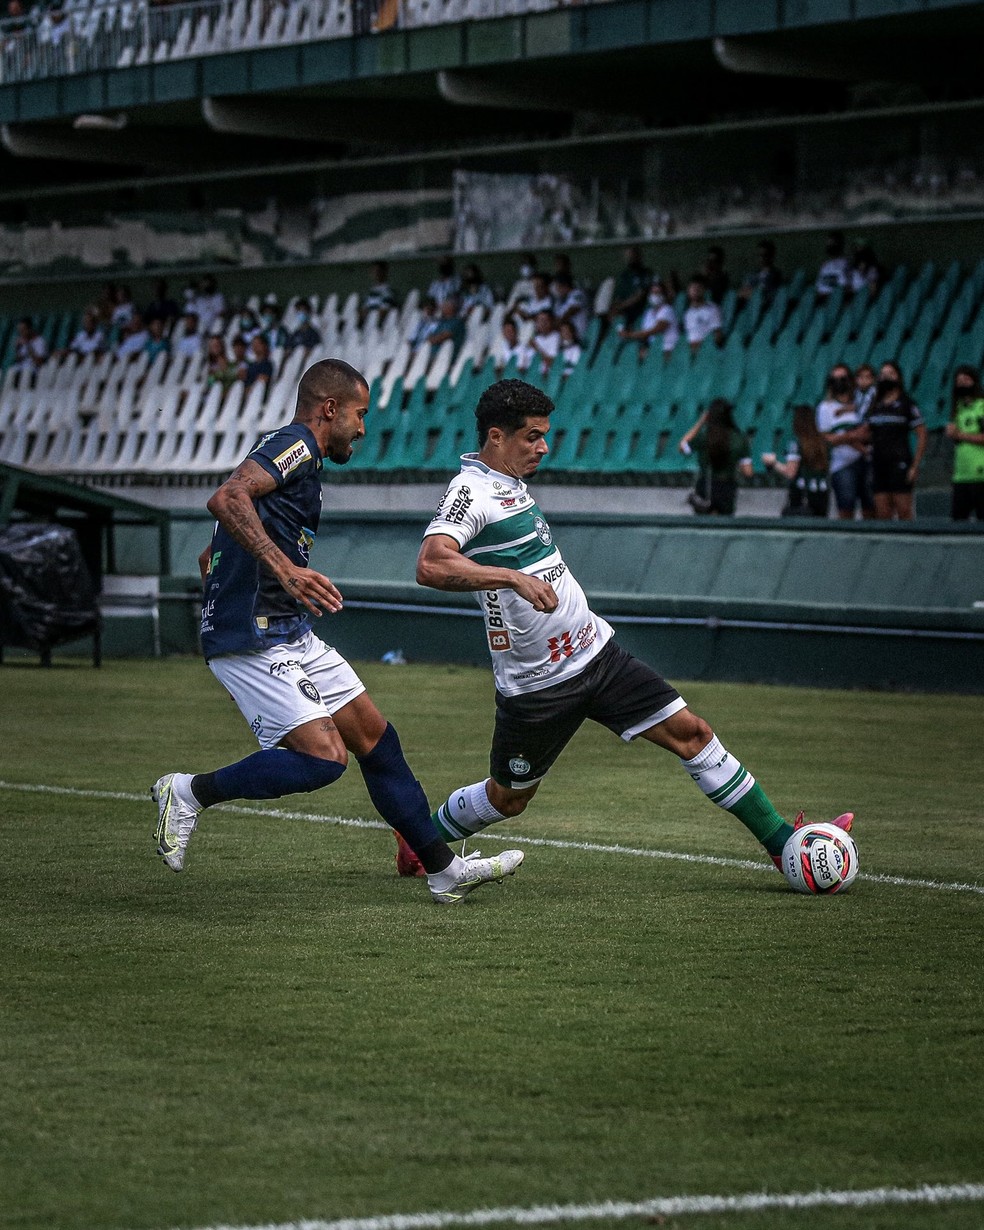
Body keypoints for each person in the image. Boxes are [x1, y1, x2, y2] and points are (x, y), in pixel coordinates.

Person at [408, 378, 852, 884]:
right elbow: (431, 564)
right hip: (538, 687)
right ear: (495, 436)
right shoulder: (472, 490)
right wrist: (511, 577)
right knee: (509, 799)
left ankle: (782, 846)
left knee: (694, 734)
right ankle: (421, 840)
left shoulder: (510, 483)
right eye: (532, 436)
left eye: (544, 434)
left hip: (597, 655)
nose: (543, 446)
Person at [152, 358, 523, 906]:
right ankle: (185, 792)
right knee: (324, 760)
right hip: (254, 635)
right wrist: (281, 572)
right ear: (330, 409)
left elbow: (216, 547)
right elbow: (227, 498)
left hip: (285, 628)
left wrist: (241, 579)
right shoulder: (296, 443)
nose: (363, 428)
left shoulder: (297, 464)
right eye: (359, 414)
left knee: (375, 737)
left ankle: (444, 871)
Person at [862, 360, 927, 521]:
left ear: (898, 378)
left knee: (904, 511)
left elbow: (922, 434)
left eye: (890, 374)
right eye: (883, 374)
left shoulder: (907, 404)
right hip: (878, 464)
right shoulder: (875, 405)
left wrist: (915, 465)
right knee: (883, 513)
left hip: (900, 463)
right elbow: (866, 433)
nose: (886, 377)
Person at [816, 362, 872, 520]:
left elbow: (870, 433)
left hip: (867, 461)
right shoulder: (825, 408)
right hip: (843, 464)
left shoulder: (863, 404)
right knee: (846, 509)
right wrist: (851, 436)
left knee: (871, 508)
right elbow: (827, 438)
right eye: (835, 378)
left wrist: (844, 436)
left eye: (843, 378)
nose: (839, 382)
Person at [678, 398, 752, 516]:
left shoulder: (704, 437)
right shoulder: (740, 439)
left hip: (705, 487)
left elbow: (682, 447)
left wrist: (700, 422)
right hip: (727, 487)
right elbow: (748, 471)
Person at [762, 404, 830, 517]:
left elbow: (790, 472)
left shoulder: (796, 442)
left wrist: (773, 463)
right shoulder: (823, 442)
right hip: (822, 493)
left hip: (802, 494)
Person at [945, 365, 984, 521]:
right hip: (961, 475)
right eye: (959, 381)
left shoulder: (981, 407)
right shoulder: (957, 408)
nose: (962, 384)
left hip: (980, 475)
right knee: (958, 522)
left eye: (966, 380)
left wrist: (960, 434)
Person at [618, 277, 679, 360]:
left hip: (666, 349)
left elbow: (653, 331)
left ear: (663, 295)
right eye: (653, 293)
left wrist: (629, 335)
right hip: (651, 350)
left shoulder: (667, 310)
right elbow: (644, 335)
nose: (655, 295)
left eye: (658, 292)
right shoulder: (648, 313)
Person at [607, 245, 652, 330]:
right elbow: (618, 295)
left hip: (639, 310)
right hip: (624, 310)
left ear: (638, 256)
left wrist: (621, 306)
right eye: (628, 256)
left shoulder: (645, 274)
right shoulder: (625, 275)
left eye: (632, 256)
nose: (630, 259)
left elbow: (640, 295)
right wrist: (614, 308)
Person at [683, 276, 723, 354]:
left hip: (706, 350)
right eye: (693, 288)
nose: (696, 291)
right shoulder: (687, 313)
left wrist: (700, 345)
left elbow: (718, 336)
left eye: (699, 288)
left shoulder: (712, 309)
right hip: (689, 351)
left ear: (704, 290)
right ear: (688, 291)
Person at [738, 239, 783, 305]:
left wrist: (752, 293)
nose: (762, 258)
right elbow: (741, 293)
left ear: (771, 256)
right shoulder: (751, 275)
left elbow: (766, 294)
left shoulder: (775, 275)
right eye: (759, 255)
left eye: (765, 255)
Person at [815, 231, 849, 299]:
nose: (829, 245)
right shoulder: (825, 266)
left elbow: (846, 287)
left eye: (832, 243)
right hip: (823, 300)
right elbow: (819, 288)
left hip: (837, 300)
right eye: (828, 243)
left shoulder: (846, 264)